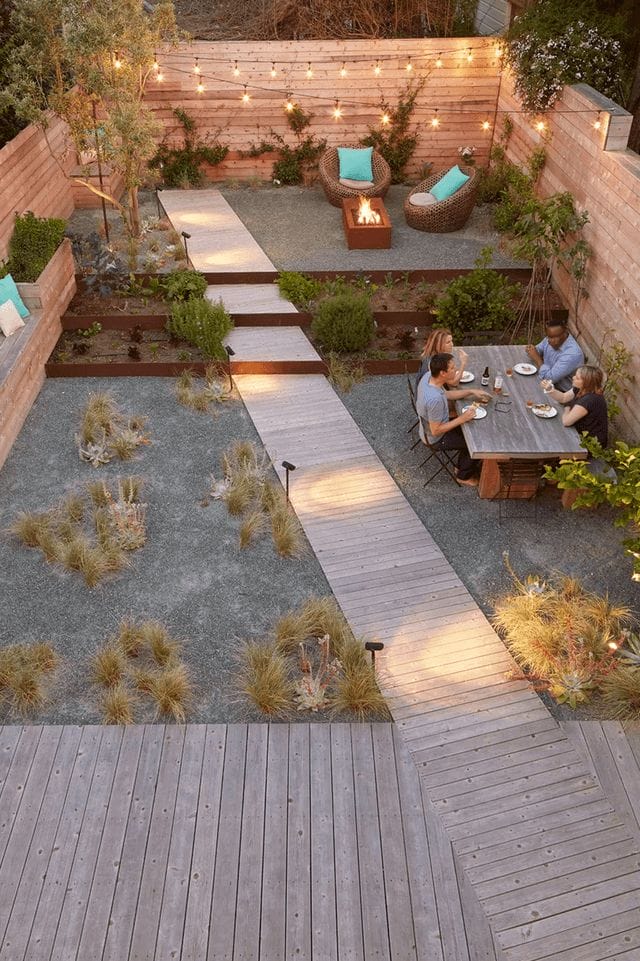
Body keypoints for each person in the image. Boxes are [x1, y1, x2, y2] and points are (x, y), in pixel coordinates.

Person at [416, 352, 490, 487]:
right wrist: (462, 418)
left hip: (428, 427)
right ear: (443, 373)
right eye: (452, 368)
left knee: (472, 430)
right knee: (475, 442)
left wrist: (471, 392)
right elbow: (436, 431)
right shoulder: (435, 400)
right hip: (435, 439)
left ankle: (461, 466)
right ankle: (463, 476)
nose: (456, 370)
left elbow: (447, 394)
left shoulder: (429, 377)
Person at [542, 365, 609, 447]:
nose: (573, 378)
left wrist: (567, 408)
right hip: (576, 431)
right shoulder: (582, 389)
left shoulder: (590, 399)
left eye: (577, 378)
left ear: (586, 382)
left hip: (588, 444)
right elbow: (563, 398)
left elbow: (566, 421)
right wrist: (549, 389)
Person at [526, 321, 584, 391]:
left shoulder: (572, 354)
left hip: (563, 392)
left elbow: (549, 379)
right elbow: (537, 350)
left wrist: (538, 359)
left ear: (565, 332)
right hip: (545, 381)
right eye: (549, 336)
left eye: (556, 336)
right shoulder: (549, 339)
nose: (552, 340)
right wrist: (531, 350)